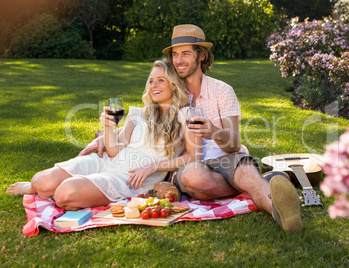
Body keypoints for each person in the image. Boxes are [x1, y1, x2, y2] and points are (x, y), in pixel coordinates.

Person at [77, 24, 303, 232]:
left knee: (244, 172)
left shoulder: (223, 91)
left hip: (226, 157)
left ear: (201, 55)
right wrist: (105, 136)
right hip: (191, 163)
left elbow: (234, 143)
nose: (178, 60)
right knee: (195, 178)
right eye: (175, 54)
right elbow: (143, 123)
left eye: (186, 53)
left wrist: (213, 131)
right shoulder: (168, 88)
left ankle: (280, 214)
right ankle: (260, 183)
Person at [6, 59, 202, 210]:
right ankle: (34, 188)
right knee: (43, 181)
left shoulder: (186, 115)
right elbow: (115, 151)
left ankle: (66, 189)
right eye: (151, 81)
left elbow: (194, 155)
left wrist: (154, 166)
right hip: (107, 162)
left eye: (161, 80)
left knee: (64, 194)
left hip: (130, 178)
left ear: (174, 85)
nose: (154, 86)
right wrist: (108, 127)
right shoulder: (139, 114)